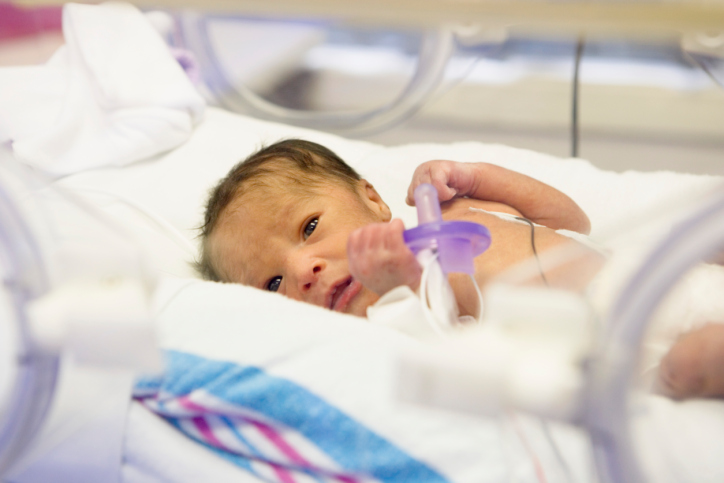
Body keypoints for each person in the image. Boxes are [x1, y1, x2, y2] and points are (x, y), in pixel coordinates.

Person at [196, 139, 604, 318]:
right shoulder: (377, 324)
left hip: (630, 282)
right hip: (598, 358)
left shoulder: (456, 211)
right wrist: (403, 289)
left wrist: (479, 178)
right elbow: (442, 348)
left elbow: (570, 225)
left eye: (310, 227)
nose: (304, 270)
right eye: (273, 283)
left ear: (373, 200)